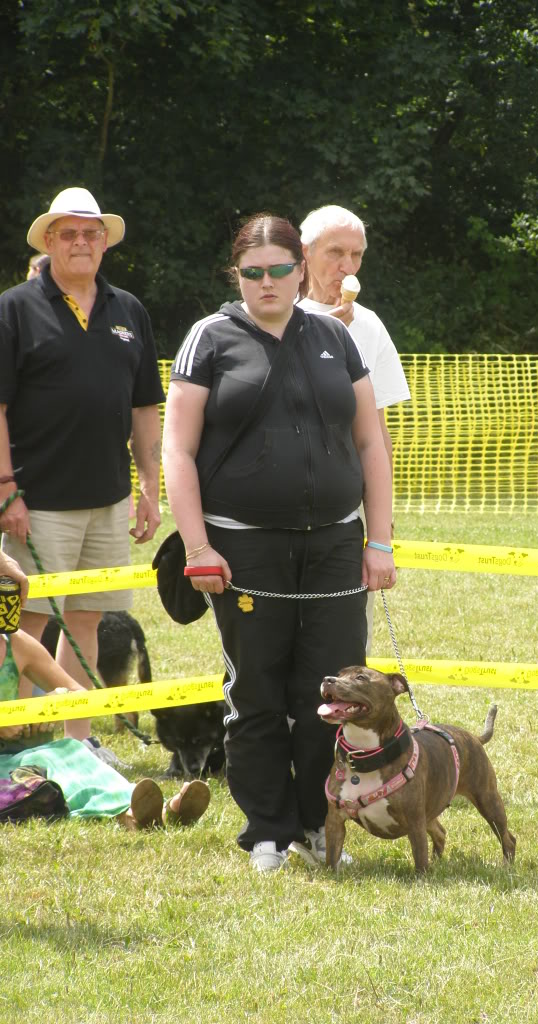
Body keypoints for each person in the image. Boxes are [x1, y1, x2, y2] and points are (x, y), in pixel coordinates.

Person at [162, 213, 394, 872]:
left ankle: (320, 826)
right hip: (242, 551)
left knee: (331, 697)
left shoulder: (334, 337)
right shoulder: (208, 338)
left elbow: (371, 441)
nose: (267, 283)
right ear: (236, 276)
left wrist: (380, 541)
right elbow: (177, 451)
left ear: (300, 269)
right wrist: (197, 546)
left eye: (279, 270)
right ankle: (266, 830)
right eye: (252, 272)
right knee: (257, 691)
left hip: (334, 548)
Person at [0, 187, 165, 755]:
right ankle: (14, 741)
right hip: (37, 500)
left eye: (91, 234)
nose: (80, 243)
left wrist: (149, 488)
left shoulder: (129, 310)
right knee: (26, 623)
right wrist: (5, 490)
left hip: (109, 499)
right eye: (68, 233)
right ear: (49, 241)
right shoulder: (14, 307)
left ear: (105, 243)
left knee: (88, 622)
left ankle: (79, 739)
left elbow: (145, 407)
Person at [298, 204, 410, 648]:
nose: (347, 266)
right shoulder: (269, 313)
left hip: (342, 511)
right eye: (335, 253)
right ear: (305, 253)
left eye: (357, 255)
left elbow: (376, 431)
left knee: (338, 638)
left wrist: (381, 521)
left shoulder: (368, 326)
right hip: (272, 508)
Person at [0, 626, 210, 828]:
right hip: (10, 768)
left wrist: (56, 699)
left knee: (72, 750)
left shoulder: (16, 643)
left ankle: (146, 810)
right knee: (51, 765)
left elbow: (79, 694)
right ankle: (144, 815)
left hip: (26, 758)